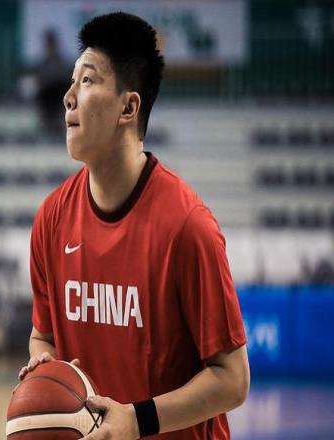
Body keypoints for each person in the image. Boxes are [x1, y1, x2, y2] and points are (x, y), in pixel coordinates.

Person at [18, 12, 249, 440]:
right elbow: (41, 336)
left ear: (128, 107)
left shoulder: (187, 227)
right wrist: (45, 365)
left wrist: (136, 420)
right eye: (72, 81)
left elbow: (233, 379)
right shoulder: (51, 219)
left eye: (87, 80)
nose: (68, 96)